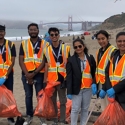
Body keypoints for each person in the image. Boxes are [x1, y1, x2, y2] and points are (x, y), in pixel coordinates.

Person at [19, 23, 48, 125]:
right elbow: (21, 60)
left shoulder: (45, 43)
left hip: (39, 73)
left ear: (38, 30)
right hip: (26, 73)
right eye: (31, 30)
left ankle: (41, 116)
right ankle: (29, 116)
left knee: (40, 96)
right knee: (28, 95)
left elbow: (44, 60)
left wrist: (34, 73)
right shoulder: (24, 43)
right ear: (28, 31)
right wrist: (27, 74)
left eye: (35, 29)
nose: (33, 31)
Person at [43, 27, 70, 125]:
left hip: (62, 78)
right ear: (49, 36)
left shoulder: (65, 48)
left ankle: (62, 120)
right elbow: (46, 65)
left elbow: (69, 64)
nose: (54, 36)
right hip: (51, 79)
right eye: (52, 35)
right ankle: (55, 119)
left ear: (59, 35)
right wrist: (45, 80)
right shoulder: (46, 49)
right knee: (53, 100)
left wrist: (68, 78)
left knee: (63, 101)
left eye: (56, 34)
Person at [66, 39, 96, 125]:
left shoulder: (90, 58)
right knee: (75, 109)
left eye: (80, 46)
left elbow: (94, 73)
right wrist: (69, 91)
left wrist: (94, 84)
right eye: (75, 47)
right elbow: (69, 76)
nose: (78, 48)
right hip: (77, 89)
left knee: (85, 109)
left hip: (88, 88)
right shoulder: (71, 60)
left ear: (83, 46)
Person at [0, 25, 25, 125]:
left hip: (8, 75)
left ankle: (10, 118)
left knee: (9, 97)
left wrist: (5, 76)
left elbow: (12, 61)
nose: (0, 33)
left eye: (2, 31)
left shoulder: (10, 44)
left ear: (5, 33)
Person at [92, 30, 116, 111]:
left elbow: (110, 71)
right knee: (104, 107)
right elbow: (98, 69)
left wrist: (105, 88)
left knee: (110, 108)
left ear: (108, 38)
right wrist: (94, 82)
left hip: (109, 85)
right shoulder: (99, 51)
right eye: (99, 39)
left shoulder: (113, 51)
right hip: (100, 83)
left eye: (103, 38)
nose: (101, 41)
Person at [106, 32, 125, 110]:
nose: (122, 43)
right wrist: (108, 88)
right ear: (116, 42)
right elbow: (107, 73)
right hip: (115, 96)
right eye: (119, 41)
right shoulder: (114, 55)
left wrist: (114, 89)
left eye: (124, 41)